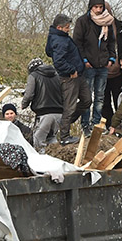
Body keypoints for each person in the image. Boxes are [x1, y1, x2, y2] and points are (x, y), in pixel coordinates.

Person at [73, 0, 122, 127]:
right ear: (91, 7)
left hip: (109, 68)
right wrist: (84, 60)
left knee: (104, 99)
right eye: (97, 7)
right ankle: (88, 125)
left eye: (101, 7)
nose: (99, 10)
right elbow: (78, 43)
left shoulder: (114, 24)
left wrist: (113, 58)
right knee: (89, 98)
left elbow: (114, 42)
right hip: (89, 66)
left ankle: (103, 124)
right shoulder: (83, 22)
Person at [45, 14, 88, 145]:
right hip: (69, 78)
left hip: (79, 76)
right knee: (69, 107)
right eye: (67, 27)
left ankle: (65, 123)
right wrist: (71, 70)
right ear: (59, 27)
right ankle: (64, 136)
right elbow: (58, 62)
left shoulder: (61, 37)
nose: (69, 29)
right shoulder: (59, 40)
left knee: (87, 100)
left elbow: (48, 52)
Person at [21, 58, 65, 151]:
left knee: (38, 139)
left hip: (44, 113)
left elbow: (29, 94)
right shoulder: (57, 75)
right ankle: (56, 157)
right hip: (59, 113)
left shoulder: (33, 75)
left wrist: (24, 104)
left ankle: (40, 162)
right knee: (51, 138)